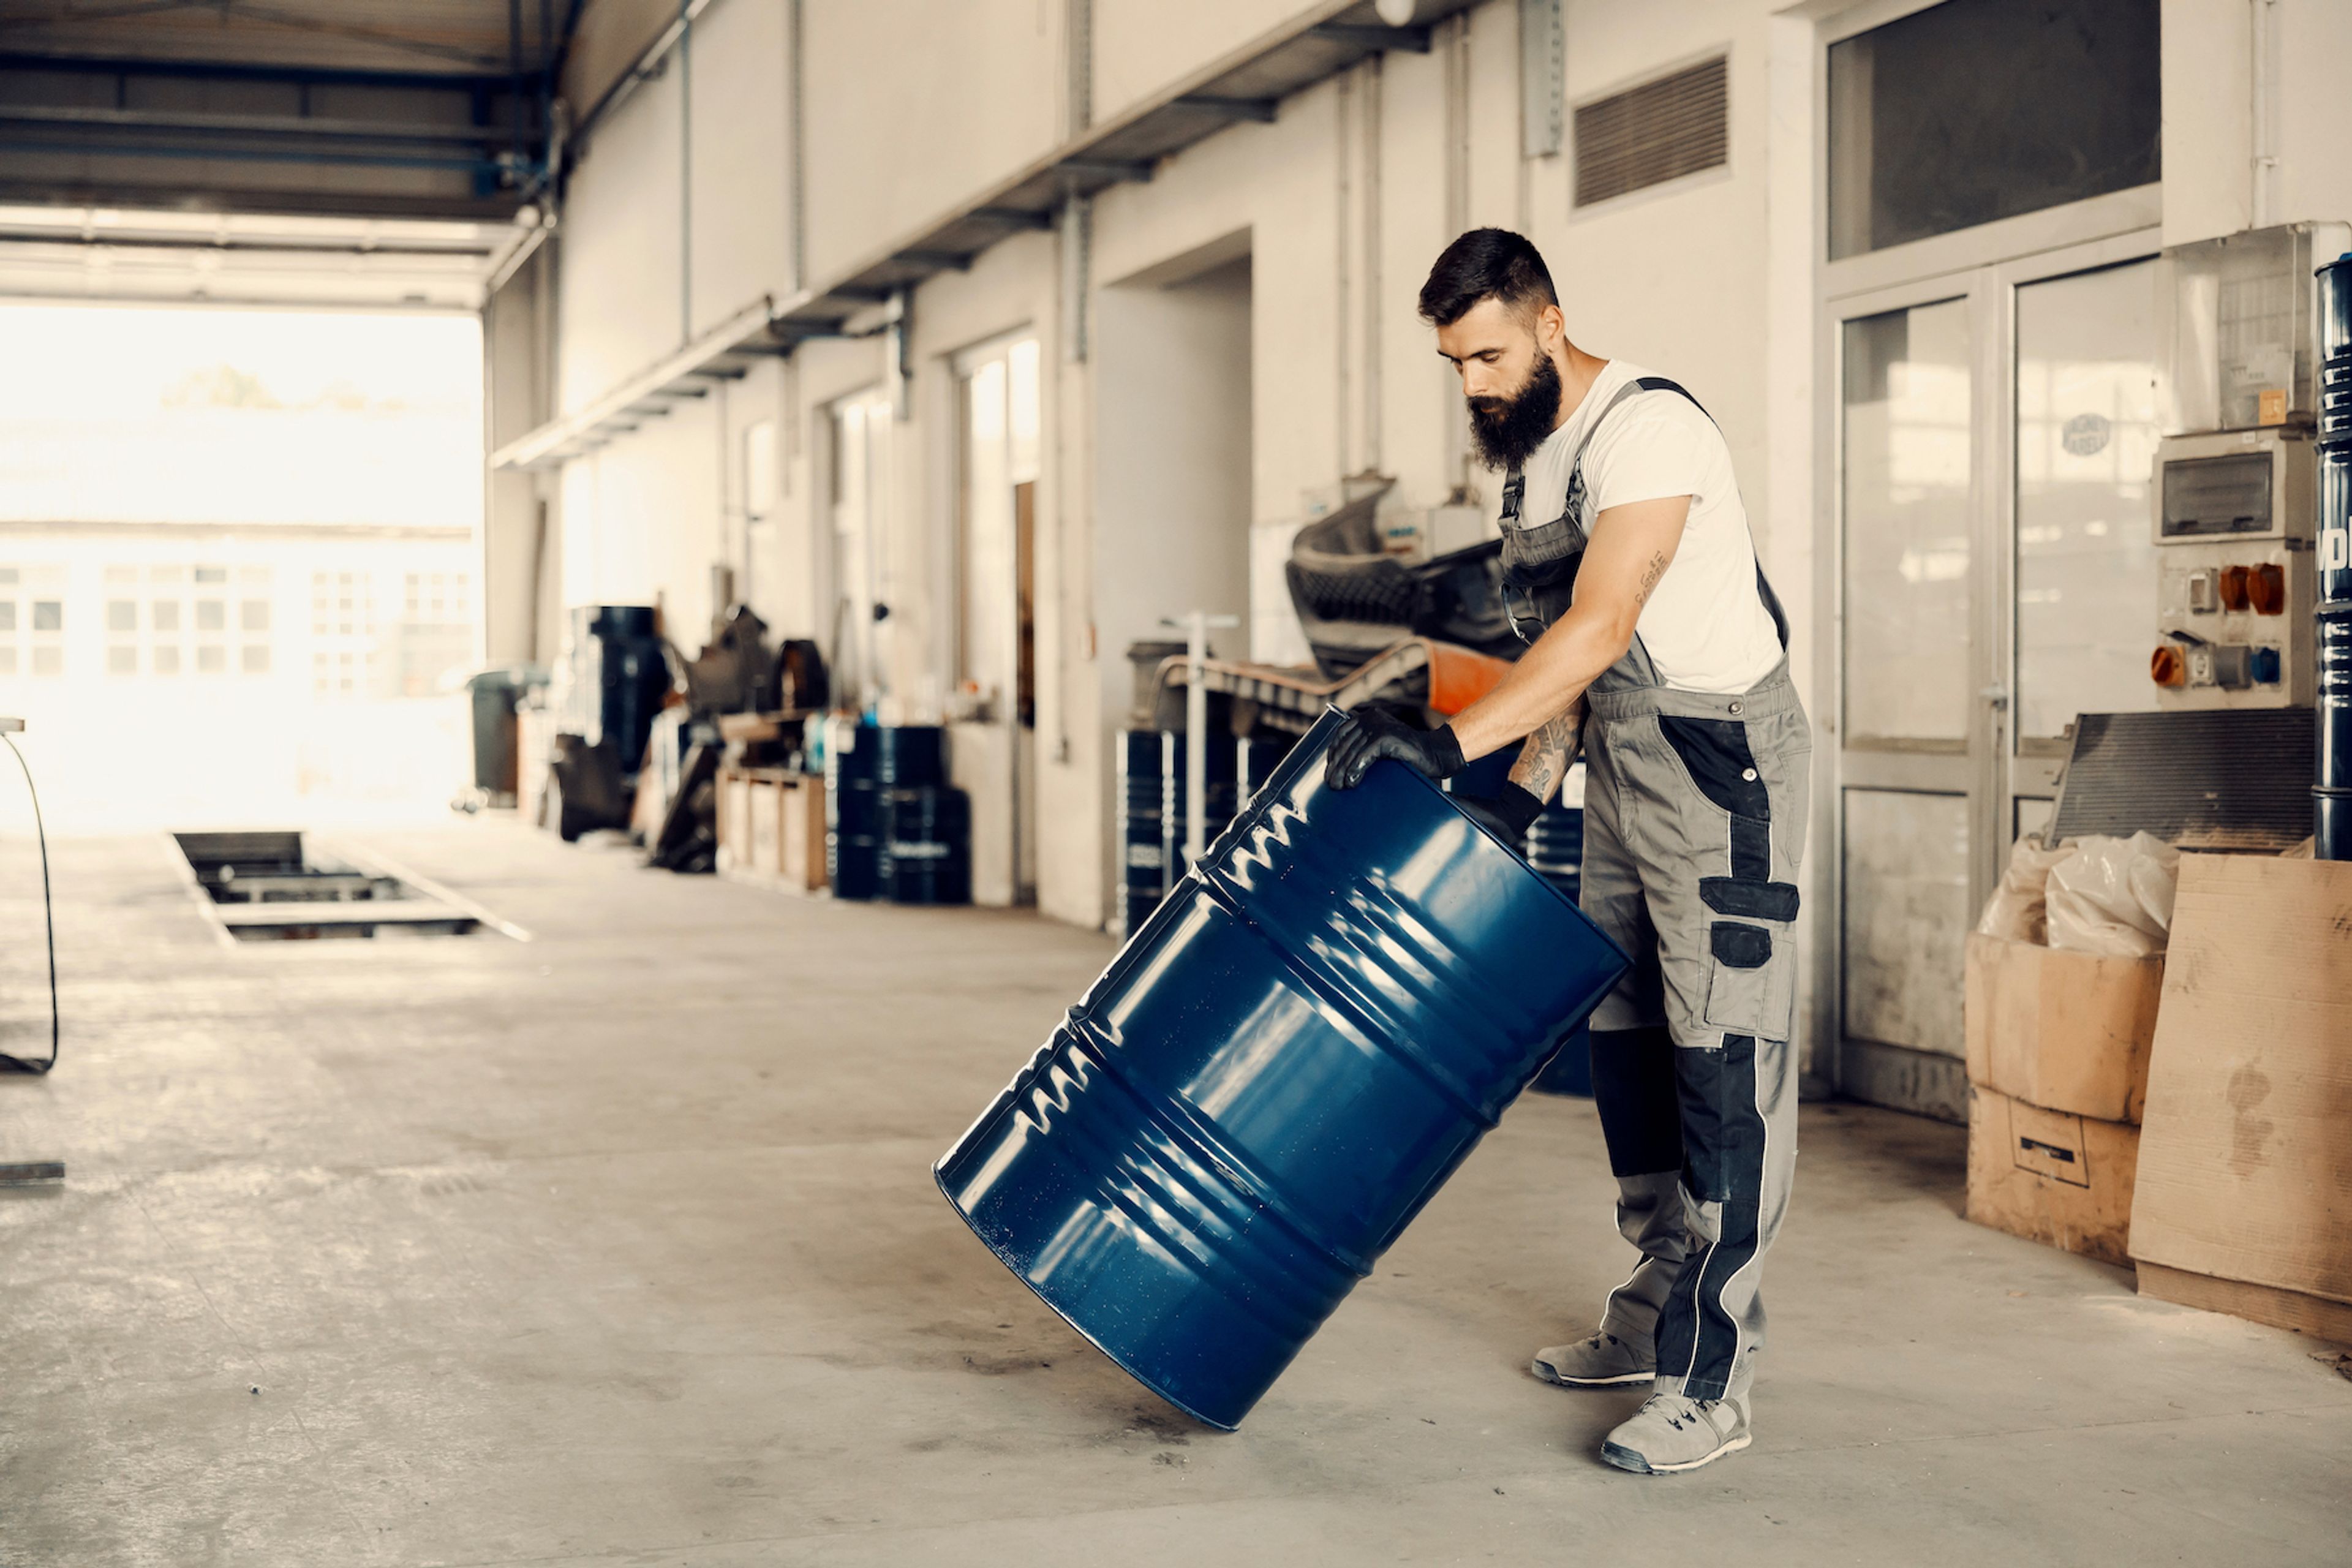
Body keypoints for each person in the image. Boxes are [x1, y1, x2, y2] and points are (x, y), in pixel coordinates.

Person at [1324, 227, 1809, 1476]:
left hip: (1718, 766)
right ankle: (1654, 1309)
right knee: (1633, 1044)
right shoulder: (1530, 468)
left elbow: (1597, 628)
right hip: (1623, 767)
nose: (1474, 383)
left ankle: (1715, 1376)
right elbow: (1577, 688)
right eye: (1453, 363)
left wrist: (1452, 746)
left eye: (1487, 353)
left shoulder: (1651, 430)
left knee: (1723, 1056)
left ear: (1548, 322)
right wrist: (1513, 797)